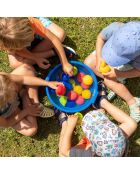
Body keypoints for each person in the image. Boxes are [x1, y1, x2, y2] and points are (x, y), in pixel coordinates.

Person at [58, 85, 137, 157]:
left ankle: (64, 123)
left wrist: (69, 126)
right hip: (111, 148)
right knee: (132, 124)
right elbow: (131, 124)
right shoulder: (118, 142)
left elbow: (64, 151)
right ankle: (102, 102)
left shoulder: (89, 156)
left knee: (63, 156)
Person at [84, 21, 140, 122]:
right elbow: (100, 38)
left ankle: (133, 101)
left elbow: (138, 71)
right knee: (89, 63)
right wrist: (99, 58)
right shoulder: (116, 27)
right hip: (109, 50)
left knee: (109, 80)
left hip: (130, 65)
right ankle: (117, 83)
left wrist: (118, 73)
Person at [0, 63, 62, 137]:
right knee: (31, 130)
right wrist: (26, 111)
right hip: (9, 113)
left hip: (8, 94)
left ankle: (35, 103)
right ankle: (25, 97)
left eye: (13, 87)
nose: (15, 89)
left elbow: (23, 79)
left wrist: (47, 83)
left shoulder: (2, 79)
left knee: (27, 69)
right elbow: (7, 123)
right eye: (13, 92)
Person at [0, 17, 75, 76]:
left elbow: (53, 38)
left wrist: (65, 63)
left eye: (27, 42)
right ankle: (53, 52)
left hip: (33, 28)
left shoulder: (32, 23)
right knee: (15, 64)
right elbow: (18, 51)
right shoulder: (6, 40)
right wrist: (36, 58)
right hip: (17, 39)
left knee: (60, 35)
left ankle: (54, 49)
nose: (28, 44)